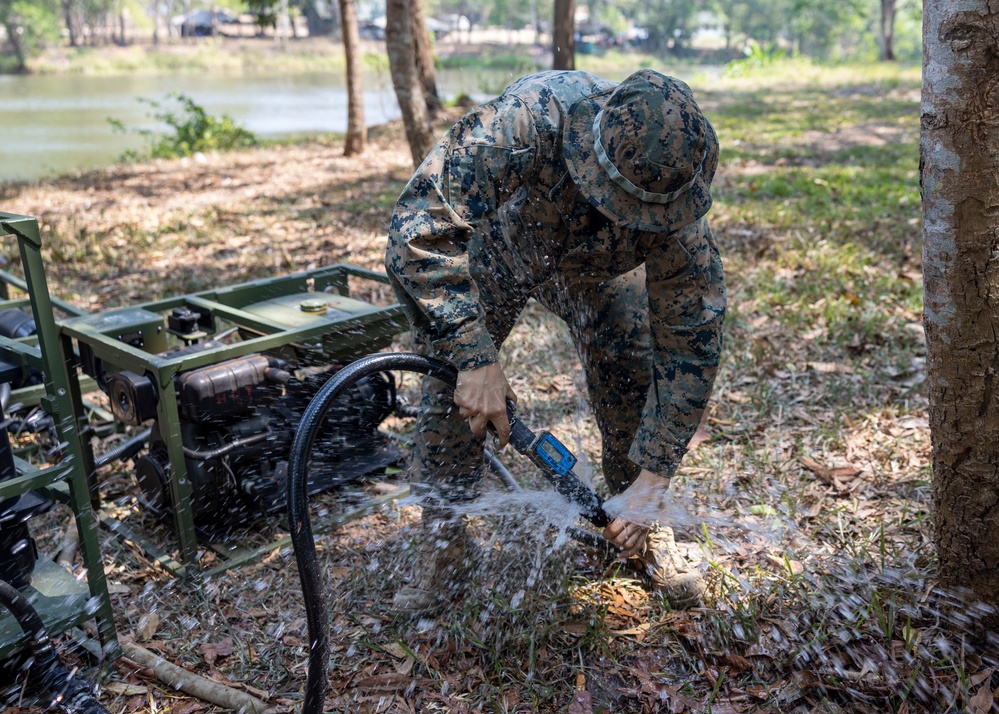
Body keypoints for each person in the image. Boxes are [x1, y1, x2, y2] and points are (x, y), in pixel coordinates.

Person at [384, 68, 726, 616]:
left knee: (633, 374)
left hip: (601, 274)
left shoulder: (677, 210)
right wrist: (474, 357)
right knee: (454, 392)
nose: (642, 217)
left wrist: (653, 479)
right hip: (500, 250)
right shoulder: (529, 120)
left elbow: (691, 347)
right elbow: (417, 227)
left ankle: (633, 523)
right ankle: (444, 548)